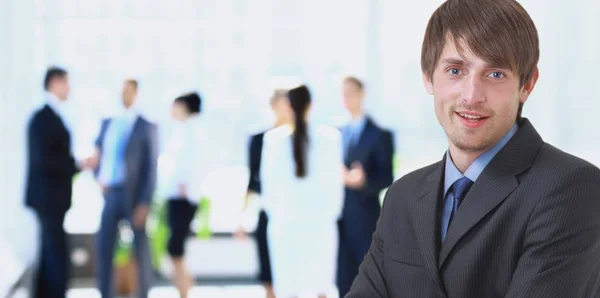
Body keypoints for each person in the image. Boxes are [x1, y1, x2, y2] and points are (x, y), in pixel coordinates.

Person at [347, 1, 600, 297]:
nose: (471, 95)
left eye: (495, 74)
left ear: (527, 85)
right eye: (455, 70)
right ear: (429, 76)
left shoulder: (572, 188)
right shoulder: (402, 196)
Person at [261, 85, 343, 298]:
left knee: (289, 288)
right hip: (321, 224)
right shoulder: (331, 137)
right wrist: (330, 216)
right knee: (321, 287)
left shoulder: (273, 140)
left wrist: (276, 215)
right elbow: (336, 185)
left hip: (285, 224)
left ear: (288, 105)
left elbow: (267, 187)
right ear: (311, 105)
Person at [25, 67, 95, 298]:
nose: (70, 88)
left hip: (52, 198)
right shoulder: (43, 118)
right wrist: (77, 164)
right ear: (55, 82)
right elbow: (43, 160)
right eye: (67, 83)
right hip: (48, 199)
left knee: (49, 252)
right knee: (54, 252)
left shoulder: (51, 116)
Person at [93, 79, 158, 298]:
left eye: (129, 91)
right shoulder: (108, 122)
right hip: (111, 192)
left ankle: (143, 294)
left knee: (140, 250)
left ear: (136, 93)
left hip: (134, 196)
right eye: (122, 91)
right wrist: (98, 178)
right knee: (104, 246)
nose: (124, 95)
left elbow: (150, 168)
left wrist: (144, 202)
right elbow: (98, 155)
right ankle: (105, 294)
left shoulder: (145, 125)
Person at [336, 76, 394, 298]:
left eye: (351, 92)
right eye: (343, 94)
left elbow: (386, 177)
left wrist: (363, 181)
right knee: (342, 278)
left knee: (367, 277)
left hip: (365, 218)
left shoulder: (380, 135)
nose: (347, 99)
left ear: (362, 95)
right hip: (338, 219)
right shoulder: (336, 134)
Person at [235, 89, 291, 298]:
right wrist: (242, 216)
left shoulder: (301, 139)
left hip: (294, 213)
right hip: (268, 211)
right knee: (268, 272)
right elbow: (252, 180)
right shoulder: (260, 139)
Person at [162, 92, 207, 298]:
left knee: (175, 249)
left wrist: (184, 187)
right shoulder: (182, 131)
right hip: (177, 197)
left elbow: (193, 165)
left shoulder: (192, 131)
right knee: (175, 249)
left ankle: (185, 291)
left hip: (184, 198)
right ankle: (185, 286)